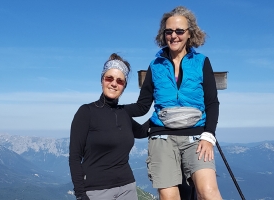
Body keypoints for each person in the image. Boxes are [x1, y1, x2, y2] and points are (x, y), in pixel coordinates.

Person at [124, 6, 223, 200]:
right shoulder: (156, 65)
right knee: (169, 197)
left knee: (209, 193)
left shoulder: (201, 62)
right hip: (162, 138)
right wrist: (116, 109)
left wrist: (209, 136)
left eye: (179, 31)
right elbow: (143, 106)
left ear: (189, 34)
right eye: (169, 31)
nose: (174, 36)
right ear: (163, 34)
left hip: (196, 137)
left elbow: (212, 103)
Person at [69, 53, 149, 200]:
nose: (114, 83)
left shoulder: (124, 113)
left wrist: (166, 110)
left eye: (120, 81)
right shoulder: (87, 112)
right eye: (109, 78)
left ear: (123, 87)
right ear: (102, 80)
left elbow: (144, 131)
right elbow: (74, 157)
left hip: (127, 188)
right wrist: (80, 195)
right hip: (97, 191)